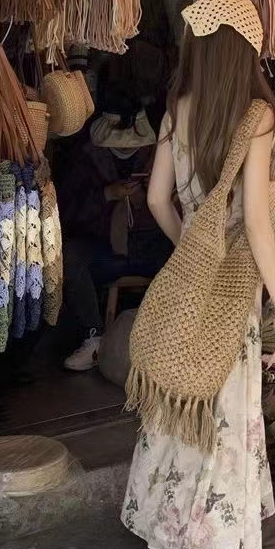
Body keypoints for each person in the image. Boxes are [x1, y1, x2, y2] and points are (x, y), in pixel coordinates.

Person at [120, 0, 275, 549]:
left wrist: (192, 253)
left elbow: (156, 197)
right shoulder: (258, 115)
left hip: (190, 305)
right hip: (232, 306)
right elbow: (260, 224)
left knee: (218, 440)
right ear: (246, 49)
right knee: (214, 451)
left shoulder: (176, 110)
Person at [58, 112, 173, 371]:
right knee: (70, 256)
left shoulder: (158, 154)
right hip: (107, 251)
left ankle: (168, 342)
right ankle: (94, 337)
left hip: (151, 249)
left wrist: (148, 200)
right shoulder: (86, 161)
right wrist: (106, 195)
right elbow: (66, 213)